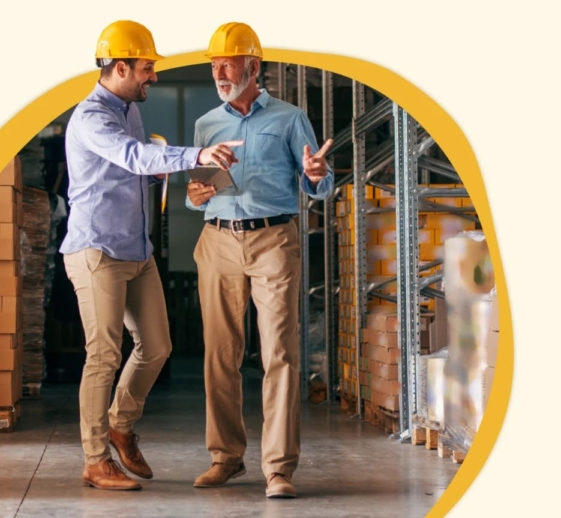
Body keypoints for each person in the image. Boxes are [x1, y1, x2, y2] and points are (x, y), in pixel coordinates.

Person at [61, 20, 243, 492]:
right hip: (96, 249)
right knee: (103, 354)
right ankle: (95, 458)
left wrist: (175, 175)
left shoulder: (129, 108)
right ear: (120, 67)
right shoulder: (92, 117)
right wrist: (196, 154)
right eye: (146, 68)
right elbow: (135, 157)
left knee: (157, 346)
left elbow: (140, 164)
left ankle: (120, 425)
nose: (152, 77)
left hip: (135, 249)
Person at [185, 22, 334, 499]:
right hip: (218, 239)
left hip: (273, 241)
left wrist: (316, 173)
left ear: (254, 66)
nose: (219, 72)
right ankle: (225, 458)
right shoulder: (207, 124)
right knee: (220, 355)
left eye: (227, 63)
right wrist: (195, 192)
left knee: (280, 355)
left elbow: (318, 182)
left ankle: (278, 468)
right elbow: (197, 193)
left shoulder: (290, 118)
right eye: (214, 64)